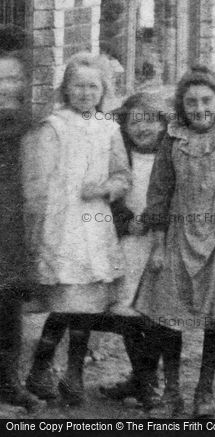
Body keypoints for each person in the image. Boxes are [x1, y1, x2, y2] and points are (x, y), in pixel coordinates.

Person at [134, 65, 215, 418]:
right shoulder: (172, 139)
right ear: (182, 106)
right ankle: (172, 391)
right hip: (178, 235)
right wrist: (158, 244)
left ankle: (204, 389)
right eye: (191, 102)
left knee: (214, 318)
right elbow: (158, 194)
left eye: (206, 100)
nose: (199, 109)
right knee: (168, 316)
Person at [22, 52, 131, 406]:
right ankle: (41, 369)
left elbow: (122, 175)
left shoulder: (109, 128)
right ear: (66, 89)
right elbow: (37, 181)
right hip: (61, 223)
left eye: (92, 86)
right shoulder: (53, 126)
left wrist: (104, 189)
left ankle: (73, 374)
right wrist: (39, 226)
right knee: (67, 302)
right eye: (78, 86)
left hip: (94, 223)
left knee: (84, 305)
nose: (85, 93)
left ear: (103, 91)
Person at [97, 92, 170, 410]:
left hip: (159, 244)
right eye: (134, 121)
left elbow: (176, 198)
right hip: (128, 243)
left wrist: (156, 223)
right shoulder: (119, 156)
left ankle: (147, 380)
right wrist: (127, 224)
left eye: (151, 120)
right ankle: (143, 378)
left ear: (163, 123)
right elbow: (108, 199)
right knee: (126, 310)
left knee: (153, 313)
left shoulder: (170, 156)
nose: (143, 128)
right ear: (124, 124)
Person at [0, 24, 44, 412]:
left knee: (9, 307)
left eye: (13, 78)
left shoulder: (28, 126)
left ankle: (9, 382)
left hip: (12, 232)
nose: (6, 87)